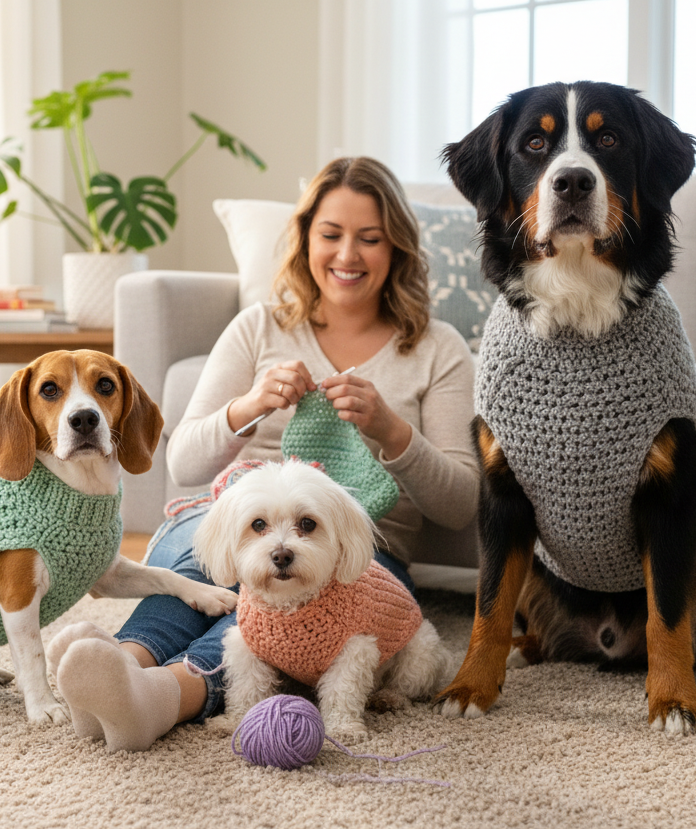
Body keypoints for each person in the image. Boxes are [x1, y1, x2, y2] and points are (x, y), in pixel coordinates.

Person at [47, 156, 479, 753]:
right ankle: (116, 665)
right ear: (305, 241)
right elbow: (185, 464)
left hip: (356, 551)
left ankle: (162, 695)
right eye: (330, 235)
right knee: (192, 579)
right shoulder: (259, 327)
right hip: (227, 514)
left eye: (369, 239)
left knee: (263, 621)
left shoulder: (436, 348)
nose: (348, 255)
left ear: (397, 247)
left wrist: (392, 430)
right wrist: (246, 407)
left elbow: (459, 505)